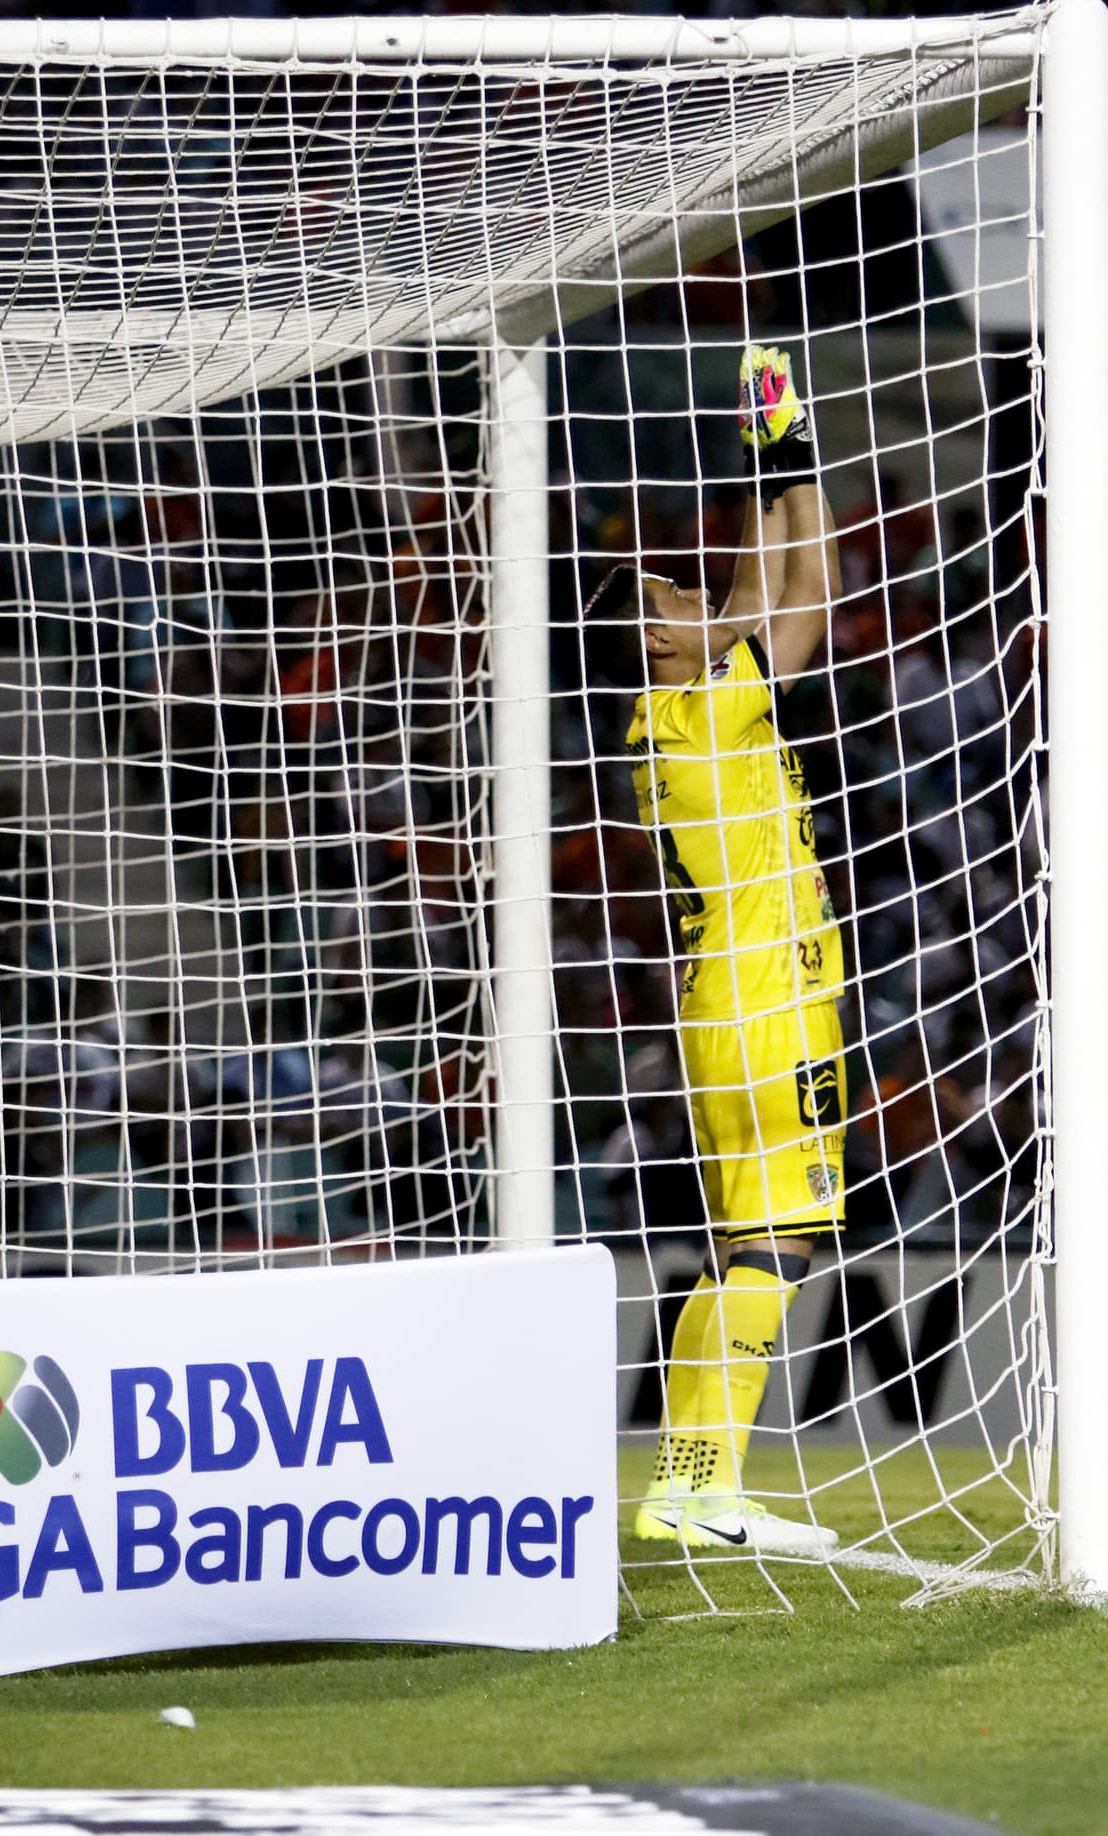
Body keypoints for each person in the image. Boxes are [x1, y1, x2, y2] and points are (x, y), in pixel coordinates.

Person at [585, 345, 845, 1557]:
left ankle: (687, 1484)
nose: (692, 593)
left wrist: (762, 454)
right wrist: (793, 457)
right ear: (664, 644)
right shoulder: (708, 711)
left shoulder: (670, 717)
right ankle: (709, 1485)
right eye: (670, 597)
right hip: (770, 1007)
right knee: (779, 1249)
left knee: (740, 1248)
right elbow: (808, 592)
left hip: (714, 1015)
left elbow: (756, 586)